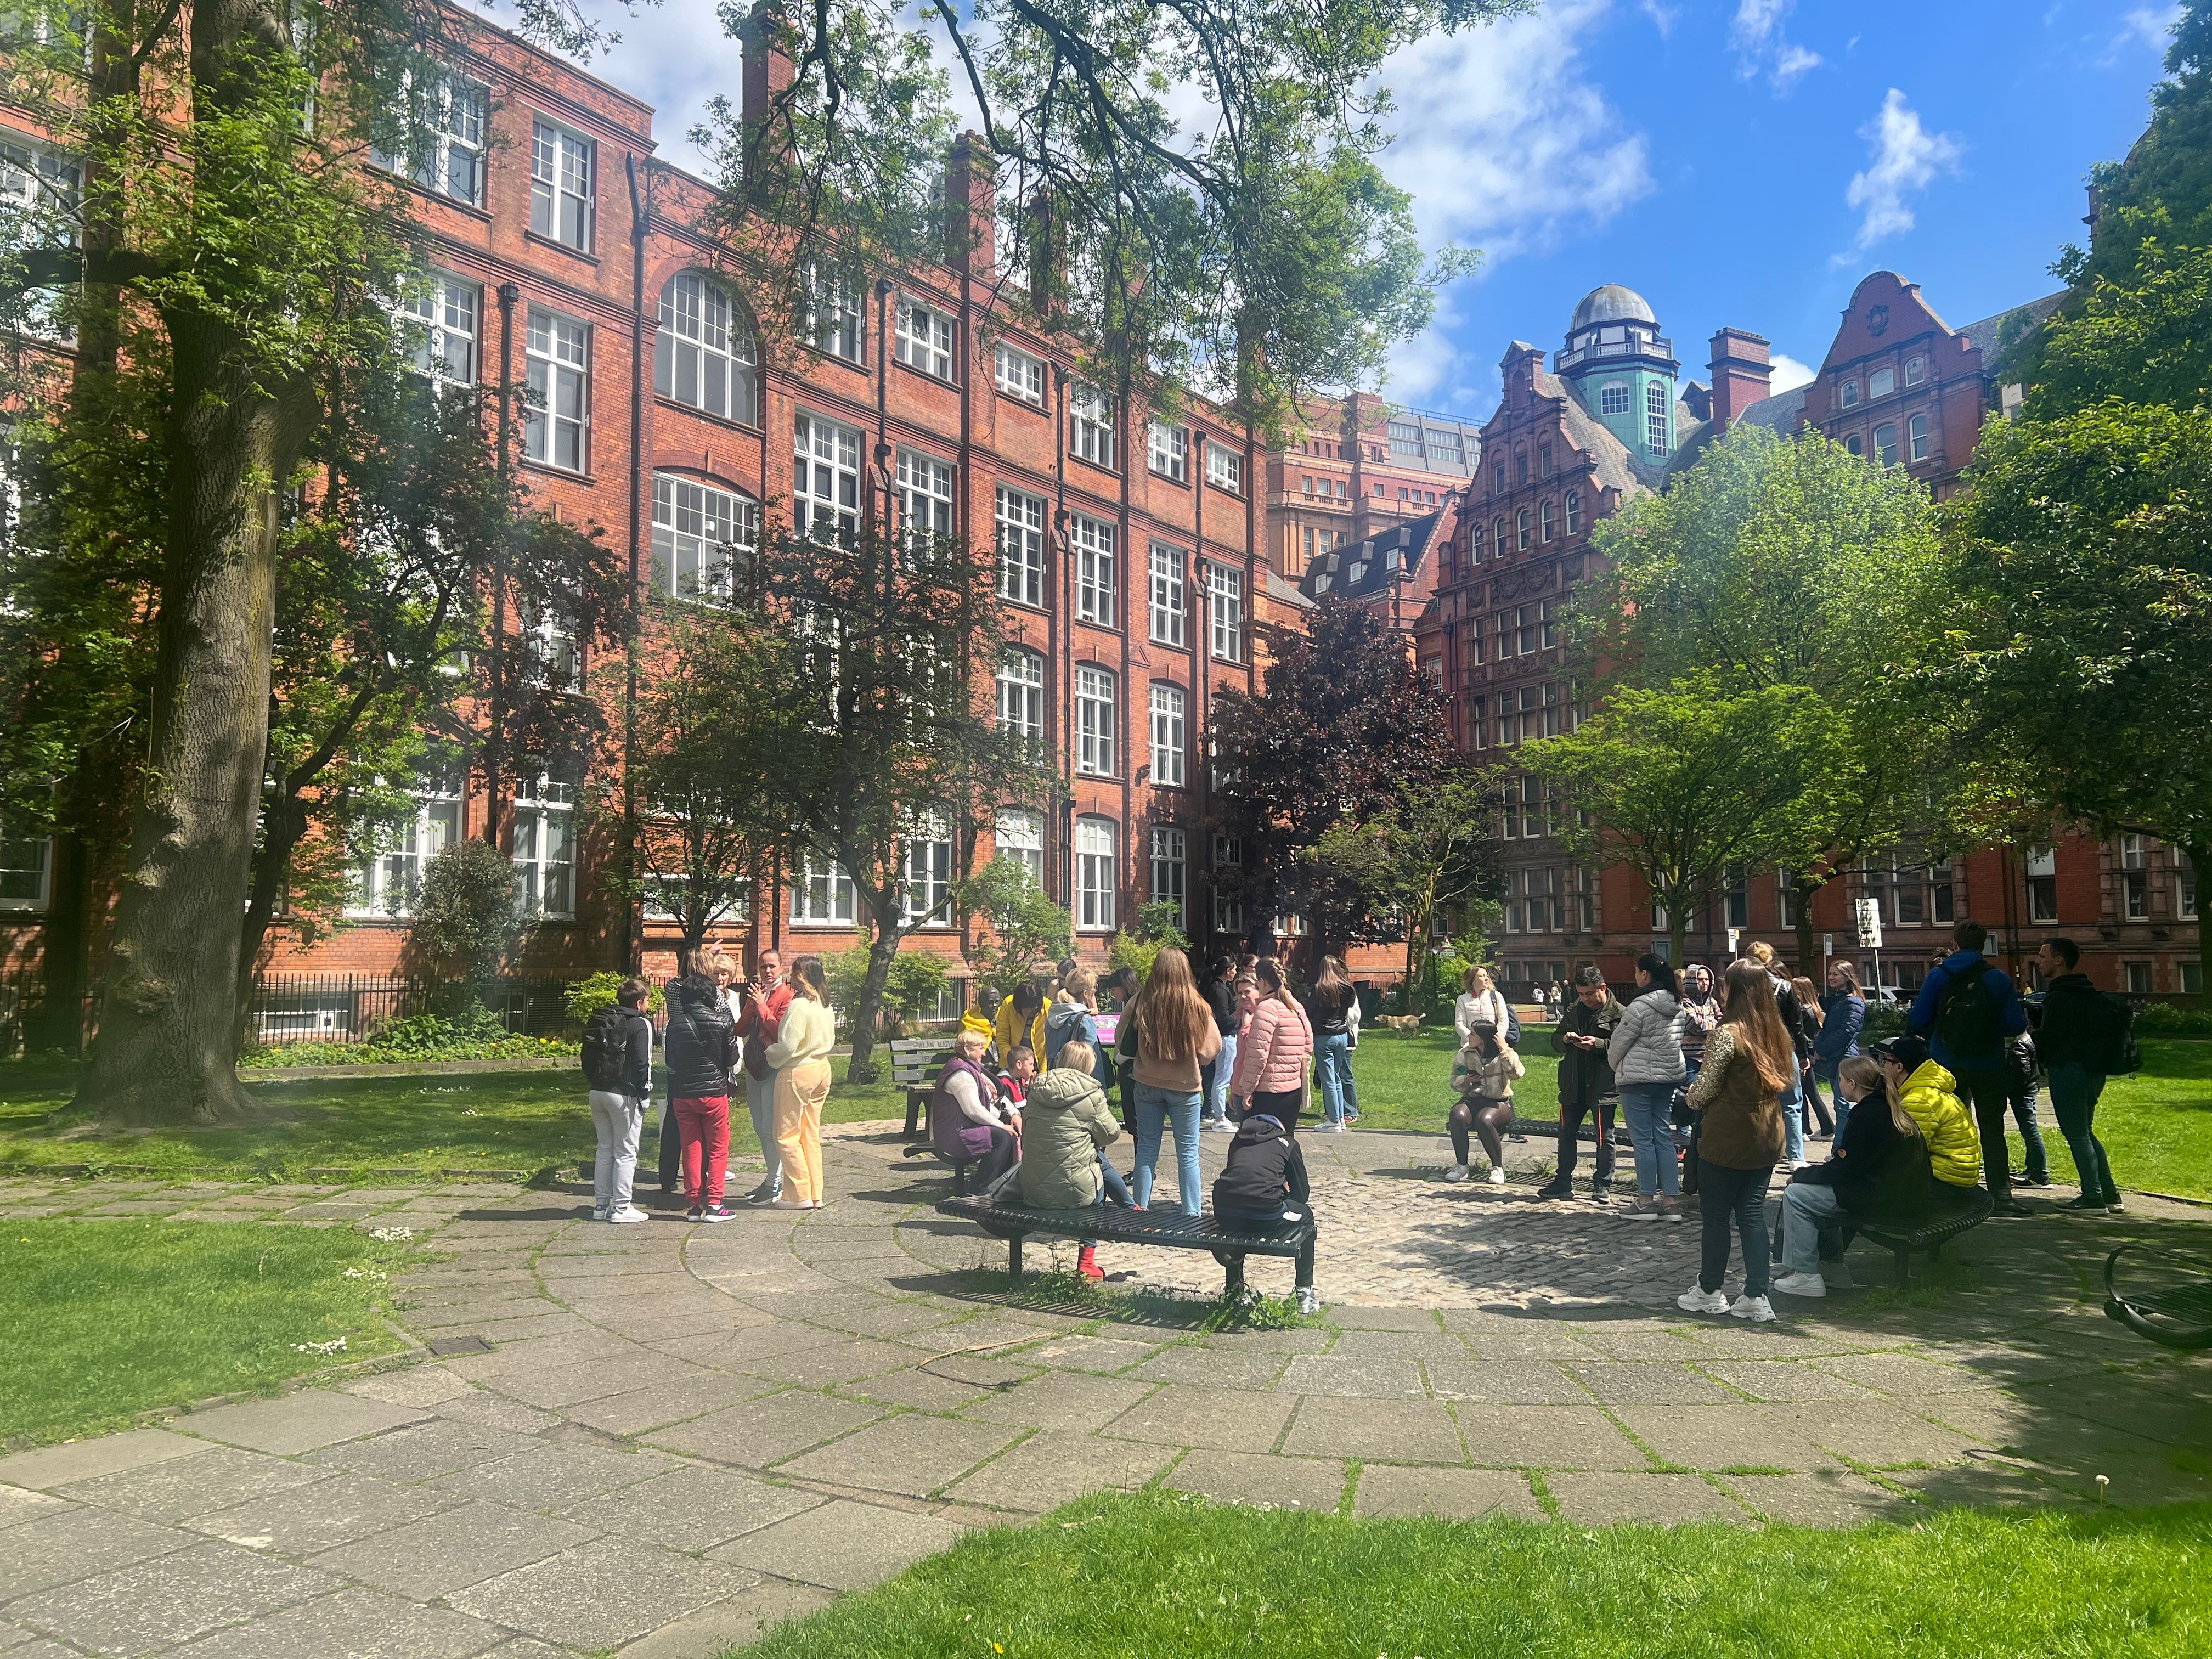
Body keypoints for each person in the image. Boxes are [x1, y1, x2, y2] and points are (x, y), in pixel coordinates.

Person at [1676, 961, 1789, 1322]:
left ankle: (1710, 1290)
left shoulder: (1729, 1033)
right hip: (1767, 1133)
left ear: (1734, 990)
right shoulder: (1775, 1032)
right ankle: (1757, 1294)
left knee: (1716, 1216)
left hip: (1728, 1135)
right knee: (1753, 1215)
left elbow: (1705, 1089)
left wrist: (1689, 1097)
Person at [1771, 1053, 1933, 1298]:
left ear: (1852, 1084)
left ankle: (1806, 1275)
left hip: (1884, 1201)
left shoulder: (1867, 1116)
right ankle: (1834, 1269)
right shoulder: (1887, 1108)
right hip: (1904, 1197)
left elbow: (1844, 1170)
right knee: (1819, 1198)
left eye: (1840, 1079)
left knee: (1797, 1195)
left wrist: (1803, 1175)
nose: (1839, 1084)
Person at [1908, 919, 2032, 1215]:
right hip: (1989, 1064)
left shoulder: (1939, 975)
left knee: (1947, 1129)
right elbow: (2016, 1024)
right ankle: (2002, 1195)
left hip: (1946, 1065)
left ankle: (1947, 1190)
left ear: (1955, 943)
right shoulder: (1997, 978)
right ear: (1984, 944)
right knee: (1993, 1129)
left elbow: (1918, 1019)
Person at [1117, 947, 1219, 1215]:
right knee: (1188, 1153)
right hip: (1185, 1086)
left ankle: (1140, 1207)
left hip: (1147, 1082)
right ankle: (1191, 1211)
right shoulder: (1197, 1005)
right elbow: (1212, 1049)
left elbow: (1121, 1038)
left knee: (1147, 1149)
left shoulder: (1141, 1001)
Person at [1017, 1038, 1128, 1279]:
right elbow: (1110, 1134)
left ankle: (1131, 1206)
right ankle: (1087, 1261)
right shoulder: (1092, 1094)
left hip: (1033, 1189)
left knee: (1089, 1156)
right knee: (1096, 1162)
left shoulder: (1036, 1090)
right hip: (1077, 1195)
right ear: (1089, 1065)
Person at [2034, 938, 2126, 1215]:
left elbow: (2051, 1038)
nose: (2039, 961)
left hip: (2069, 1070)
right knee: (2085, 1132)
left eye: (2042, 956)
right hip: (2095, 1070)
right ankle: (2109, 1194)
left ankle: (2093, 1197)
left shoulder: (2059, 996)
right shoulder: (2088, 993)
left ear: (2059, 960)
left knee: (2076, 1134)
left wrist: (2032, 1034)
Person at [1212, 1109, 1320, 1316]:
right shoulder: (1287, 1144)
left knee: (1243, 1207)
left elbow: (1240, 1180)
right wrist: (1282, 1191)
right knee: (1306, 1216)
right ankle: (1304, 1292)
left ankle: (1235, 1285)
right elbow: (1302, 1195)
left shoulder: (1238, 1140)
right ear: (1279, 1127)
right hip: (1266, 1211)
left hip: (1224, 1210)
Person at [1609, 953, 1688, 1222]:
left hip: (1638, 1080)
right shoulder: (1679, 1006)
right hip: (1667, 1080)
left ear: (1644, 975)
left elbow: (1618, 1044)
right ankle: (1671, 1201)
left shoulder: (1638, 1007)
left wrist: (1616, 1065)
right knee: (1663, 1137)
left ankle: (1645, 1201)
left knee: (1643, 1140)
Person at [664, 945, 740, 1223]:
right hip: (713, 1093)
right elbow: (732, 1057)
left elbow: (670, 1059)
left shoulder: (674, 1025)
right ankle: (716, 1204)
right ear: (711, 994)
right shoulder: (721, 1019)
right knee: (718, 1148)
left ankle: (694, 1205)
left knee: (691, 1148)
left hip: (683, 1092)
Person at [1541, 966, 1621, 1201]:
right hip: (1573, 1082)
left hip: (1603, 1084)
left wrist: (1597, 1044)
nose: (1585, 999)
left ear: (1602, 988)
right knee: (1565, 1133)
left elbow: (1624, 1048)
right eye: (1581, 994)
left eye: (1589, 994)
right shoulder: (1574, 1010)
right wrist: (1565, 1039)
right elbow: (1555, 1041)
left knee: (1604, 1136)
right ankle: (1563, 1182)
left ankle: (1602, 1185)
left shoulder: (1620, 1014)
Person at [764, 953, 834, 1210]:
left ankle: (798, 1194)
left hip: (797, 1072)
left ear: (801, 976)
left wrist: (768, 1053)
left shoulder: (799, 1005)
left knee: (786, 1135)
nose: (790, 977)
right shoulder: (825, 1003)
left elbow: (788, 1045)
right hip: (822, 1069)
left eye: (794, 972)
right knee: (810, 1133)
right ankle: (816, 1194)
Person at [583, 976, 654, 1224]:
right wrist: (644, 1095)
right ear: (638, 1003)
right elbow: (643, 1062)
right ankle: (622, 1208)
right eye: (646, 1001)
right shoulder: (640, 1024)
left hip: (597, 1091)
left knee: (604, 1150)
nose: (648, 1006)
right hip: (624, 1094)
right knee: (626, 1152)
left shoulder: (603, 1017)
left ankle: (601, 1206)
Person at [1871, 1034, 1982, 1192]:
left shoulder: (1920, 1101)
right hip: (1956, 1174)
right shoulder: (1932, 1091)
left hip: (1946, 1180)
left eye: (1885, 1060)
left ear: (1899, 1067)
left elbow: (1908, 1153)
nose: (1881, 1067)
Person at [732, 949, 795, 1206]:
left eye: (771, 966)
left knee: (770, 1128)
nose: (767, 971)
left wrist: (761, 1005)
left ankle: (774, 1183)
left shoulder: (787, 996)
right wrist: (751, 1005)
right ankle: (772, 1176)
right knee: (759, 1127)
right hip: (754, 1066)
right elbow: (740, 1029)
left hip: (773, 1068)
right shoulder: (756, 994)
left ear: (782, 968)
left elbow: (780, 1032)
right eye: (762, 967)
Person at [1744, 943, 1814, 1166]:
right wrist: (1803, 1057)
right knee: (1792, 1105)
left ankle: (1760, 1151)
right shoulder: (1784, 987)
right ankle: (1796, 1157)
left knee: (1757, 1103)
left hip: (1755, 1049)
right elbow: (1797, 1026)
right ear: (1771, 959)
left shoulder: (1744, 987)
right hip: (1784, 1050)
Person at [1229, 957, 1314, 1134]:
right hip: (1293, 1091)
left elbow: (1258, 1056)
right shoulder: (1296, 1007)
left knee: (1261, 1149)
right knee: (1285, 1144)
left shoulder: (1266, 1008)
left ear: (1261, 981)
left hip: (1268, 1093)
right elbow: (1309, 1045)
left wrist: (1248, 1089)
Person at [932, 1025, 1019, 1193]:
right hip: (955, 1134)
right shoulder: (960, 1074)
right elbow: (973, 1110)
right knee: (1002, 1138)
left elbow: (994, 1096)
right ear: (966, 1049)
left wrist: (1014, 1114)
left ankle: (1000, 1185)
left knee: (1009, 1133)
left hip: (966, 1128)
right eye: (980, 1047)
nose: (984, 1052)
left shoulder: (969, 1067)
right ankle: (980, 1188)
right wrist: (1002, 1125)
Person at [1444, 1021, 1524, 1185]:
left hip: (1499, 1103)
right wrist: (1465, 1080)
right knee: (1457, 1115)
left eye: (1473, 1033)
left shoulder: (1503, 1053)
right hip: (1473, 1099)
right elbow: (1453, 1081)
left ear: (1483, 1038)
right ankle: (1462, 1167)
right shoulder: (1465, 1053)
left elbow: (1517, 1074)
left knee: (1484, 1120)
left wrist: (1505, 1050)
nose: (1468, 1036)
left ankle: (1498, 1168)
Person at [1812, 962, 1867, 1141]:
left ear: (1847, 976)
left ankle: (1842, 1150)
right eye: (1830, 974)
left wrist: (1821, 1048)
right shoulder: (1839, 999)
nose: (1831, 978)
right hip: (1836, 1057)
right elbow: (1826, 1028)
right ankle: (1841, 1148)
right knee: (1841, 1105)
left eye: (1836, 974)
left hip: (1846, 1058)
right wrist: (1818, 1045)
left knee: (1844, 1106)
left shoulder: (1853, 1001)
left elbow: (1847, 1032)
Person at [1306, 956, 1359, 1131]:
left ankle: (1334, 1120)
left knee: (1328, 1079)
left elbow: (1310, 1010)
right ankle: (1340, 1118)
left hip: (1324, 1035)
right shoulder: (1348, 989)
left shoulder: (1319, 989)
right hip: (1343, 1035)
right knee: (1336, 1078)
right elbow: (1349, 1007)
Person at [2002, 1026, 2053, 1190]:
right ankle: (2033, 1169)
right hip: (2031, 1087)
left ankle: (2040, 1175)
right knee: (2029, 1129)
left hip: (2022, 1092)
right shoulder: (2028, 1039)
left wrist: (2008, 1087)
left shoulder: (2019, 1043)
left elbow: (2021, 1073)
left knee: (2030, 1131)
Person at [1200, 956, 1243, 1133]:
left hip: (1221, 1037)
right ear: (1228, 970)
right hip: (1225, 1037)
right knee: (1222, 1079)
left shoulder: (1216, 988)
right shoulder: (1221, 990)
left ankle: (1218, 1115)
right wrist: (1240, 1020)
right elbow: (1224, 1018)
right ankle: (1220, 1118)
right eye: (1234, 969)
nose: (1235, 972)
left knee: (1220, 1078)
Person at [1791, 975, 1836, 1138]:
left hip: (1804, 1052)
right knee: (1808, 1092)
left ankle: (1816, 1128)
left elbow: (1802, 1035)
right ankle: (1818, 1128)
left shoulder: (1803, 1010)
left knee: (1805, 1093)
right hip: (1811, 1052)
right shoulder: (1814, 1008)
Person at [1045, 969, 1103, 1074]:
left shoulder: (1053, 1016)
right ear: (1085, 993)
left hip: (1056, 1078)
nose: (1095, 990)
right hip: (1078, 1083)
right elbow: (1092, 1060)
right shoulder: (1084, 1020)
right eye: (1094, 988)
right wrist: (1100, 1087)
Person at [995, 980, 1049, 1075]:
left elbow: (1049, 1046)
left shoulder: (1048, 1007)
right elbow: (1002, 1038)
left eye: (1033, 1007)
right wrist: (1015, 1063)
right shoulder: (1008, 1005)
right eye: (1026, 1007)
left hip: (1038, 1070)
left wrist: (1043, 1073)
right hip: (1012, 1069)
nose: (1030, 1011)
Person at [1455, 964, 1510, 1046]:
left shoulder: (1496, 996)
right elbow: (1460, 1024)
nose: (1487, 979)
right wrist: (1472, 1039)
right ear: (1472, 980)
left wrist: (1495, 1039)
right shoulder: (1462, 999)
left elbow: (1504, 1020)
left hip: (1494, 1045)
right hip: (1471, 1047)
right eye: (1482, 976)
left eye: (1487, 976)